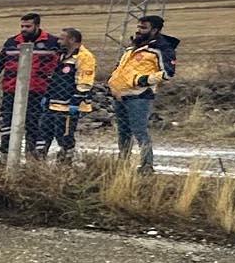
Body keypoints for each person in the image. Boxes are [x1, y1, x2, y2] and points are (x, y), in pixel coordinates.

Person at [108, 13, 179, 173]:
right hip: (120, 95)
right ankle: (123, 161)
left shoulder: (162, 49)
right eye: (139, 26)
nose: (139, 30)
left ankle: (147, 165)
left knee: (139, 130)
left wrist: (142, 80)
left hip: (140, 96)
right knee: (123, 131)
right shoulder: (134, 46)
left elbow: (168, 73)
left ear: (155, 30)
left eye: (143, 27)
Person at [0, 12, 61, 159]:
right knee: (8, 123)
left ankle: (31, 155)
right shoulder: (12, 42)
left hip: (38, 91)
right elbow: (0, 60)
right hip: (11, 90)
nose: (24, 29)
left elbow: (62, 62)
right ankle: (6, 155)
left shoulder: (52, 42)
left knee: (33, 124)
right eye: (22, 26)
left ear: (37, 26)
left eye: (28, 26)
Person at [47, 26, 97, 160]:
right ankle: (63, 153)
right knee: (57, 131)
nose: (58, 41)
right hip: (57, 100)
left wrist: (76, 99)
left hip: (69, 103)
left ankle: (68, 156)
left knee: (66, 133)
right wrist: (48, 95)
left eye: (62, 39)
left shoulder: (84, 56)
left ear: (72, 40)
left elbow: (85, 80)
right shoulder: (62, 55)